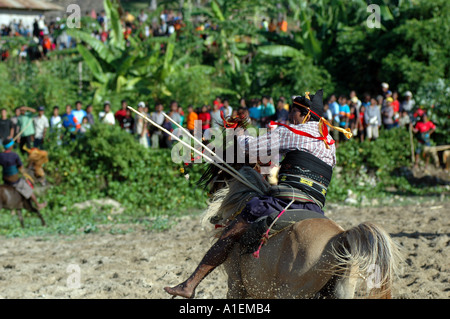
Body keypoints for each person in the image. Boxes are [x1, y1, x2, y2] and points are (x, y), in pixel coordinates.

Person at [164, 89, 344, 299]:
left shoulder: (292, 132)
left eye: (293, 111)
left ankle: (190, 284)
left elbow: (250, 146)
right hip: (314, 208)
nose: (289, 116)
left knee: (231, 231)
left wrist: (237, 133)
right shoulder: (329, 142)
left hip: (286, 201)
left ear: (305, 115)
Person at [0, 138, 47, 210]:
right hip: (14, 180)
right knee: (28, 189)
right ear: (10, 147)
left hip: (5, 179)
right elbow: (21, 167)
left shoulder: (1, 156)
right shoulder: (14, 155)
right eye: (12, 145)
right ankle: (38, 204)